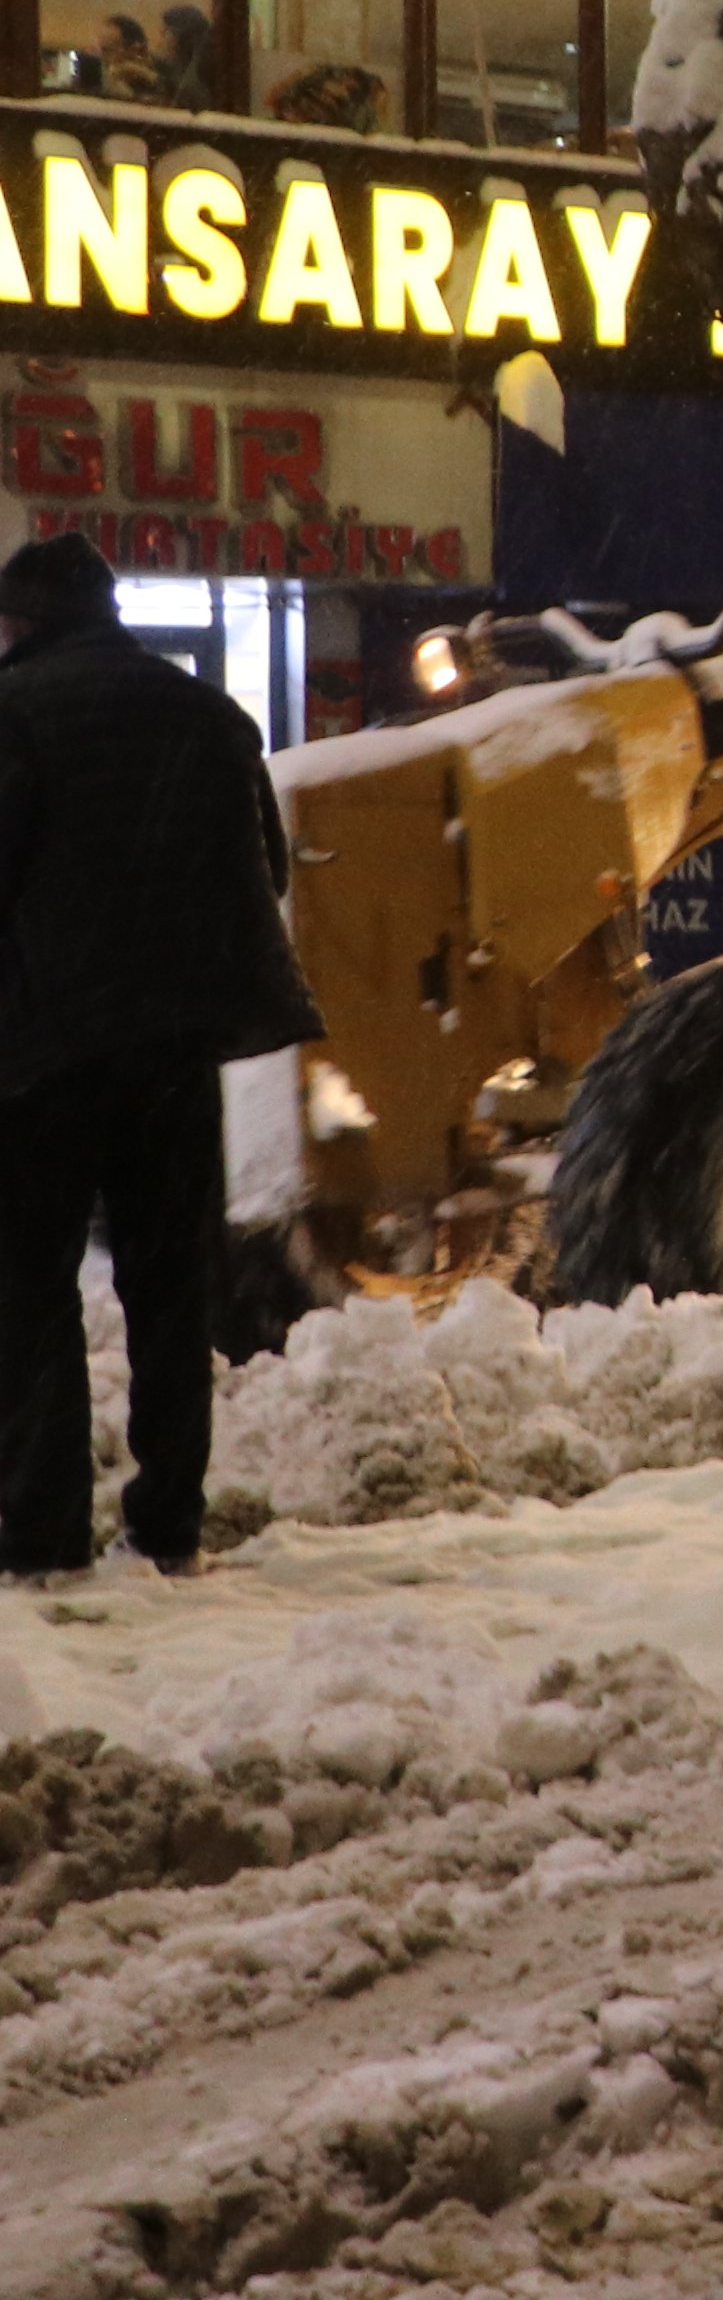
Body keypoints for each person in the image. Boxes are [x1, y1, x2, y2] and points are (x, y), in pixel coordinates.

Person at [0, 534, 322, 1579]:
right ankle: (169, 1518)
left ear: (21, 622)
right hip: (174, 1051)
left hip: (43, 1052)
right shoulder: (207, 716)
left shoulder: (13, 711)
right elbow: (264, 872)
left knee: (30, 1286)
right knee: (171, 1283)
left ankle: (43, 1531)